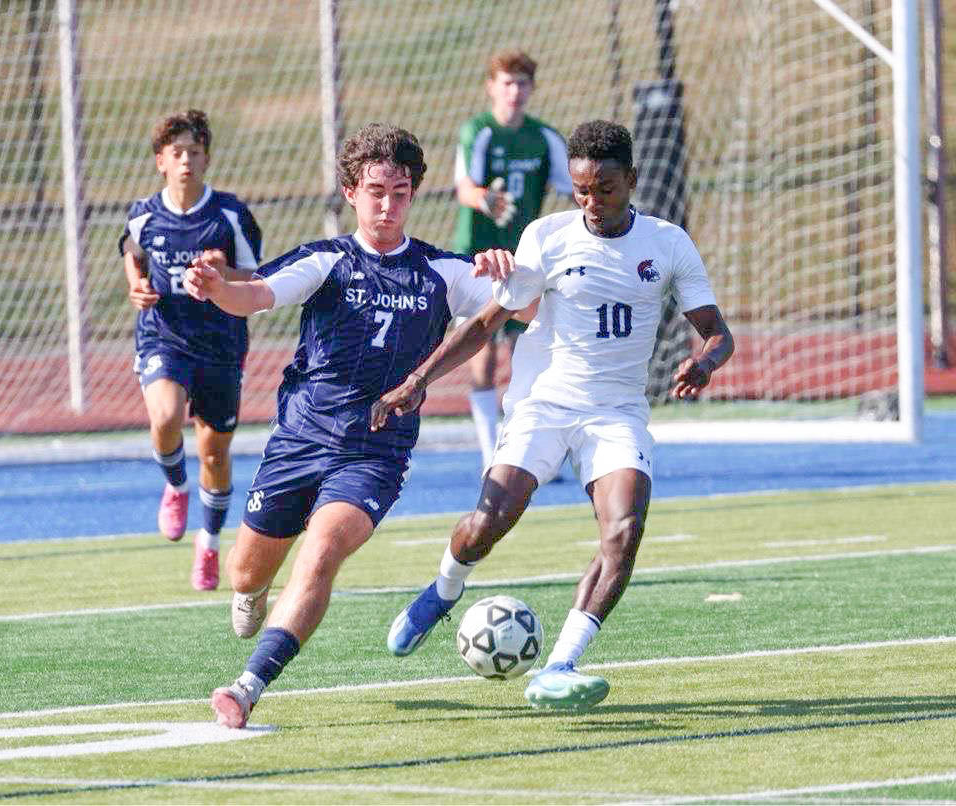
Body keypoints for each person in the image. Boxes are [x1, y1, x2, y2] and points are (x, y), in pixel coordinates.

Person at [373, 119, 735, 710]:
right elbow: (488, 322)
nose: (592, 202)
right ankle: (443, 589)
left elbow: (718, 334)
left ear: (633, 181)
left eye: (606, 189)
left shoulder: (668, 243)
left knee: (624, 531)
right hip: (543, 402)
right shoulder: (548, 235)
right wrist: (418, 379)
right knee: (488, 521)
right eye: (582, 190)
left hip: (616, 412)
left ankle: (559, 665)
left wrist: (705, 361)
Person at [182, 123, 511, 729]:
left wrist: (507, 271)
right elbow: (254, 296)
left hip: (374, 453)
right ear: (352, 192)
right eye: (376, 190)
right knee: (248, 574)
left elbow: (523, 302)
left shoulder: (441, 270)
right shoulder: (327, 260)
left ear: (415, 195)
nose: (388, 205)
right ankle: (251, 594)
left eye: (402, 192)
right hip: (301, 439)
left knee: (321, 551)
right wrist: (213, 289)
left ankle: (248, 685)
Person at [119, 109, 262, 591]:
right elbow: (131, 252)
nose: (186, 161)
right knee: (164, 417)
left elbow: (256, 277)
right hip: (165, 335)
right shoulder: (143, 214)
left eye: (194, 152)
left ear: (206, 159)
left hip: (221, 345)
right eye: (176, 152)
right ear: (161, 161)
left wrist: (224, 274)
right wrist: (136, 286)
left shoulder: (229, 215)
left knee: (215, 455)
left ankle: (209, 543)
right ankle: (176, 487)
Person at [453, 49, 573, 469]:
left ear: (532, 88)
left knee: (533, 352)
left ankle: (528, 451)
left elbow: (575, 188)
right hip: (481, 258)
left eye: (522, 83)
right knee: (481, 353)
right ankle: (492, 453)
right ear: (492, 87)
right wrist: (486, 200)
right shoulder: (479, 131)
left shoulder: (544, 137)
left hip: (525, 260)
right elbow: (465, 188)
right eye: (507, 82)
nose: (515, 91)